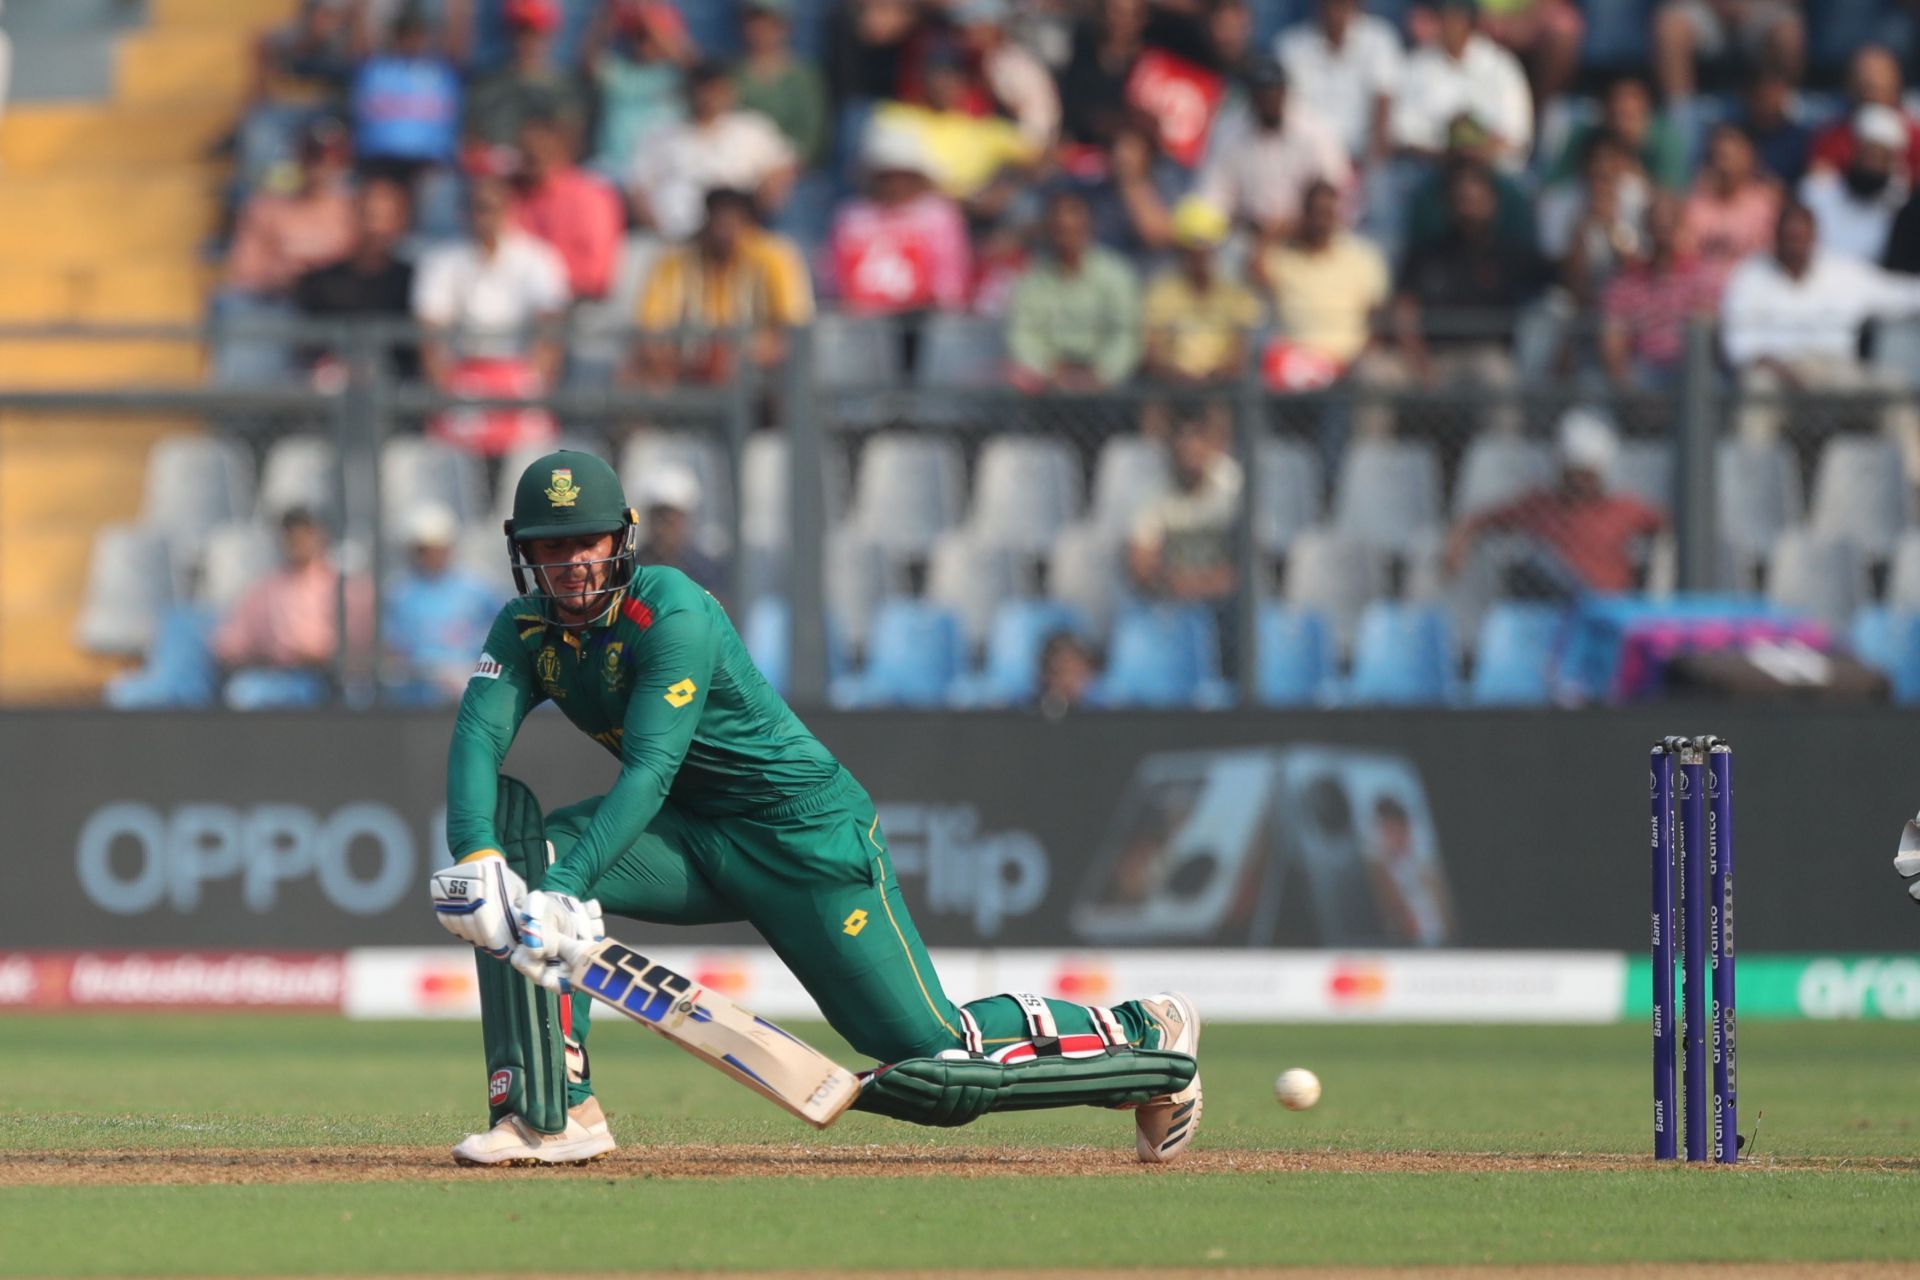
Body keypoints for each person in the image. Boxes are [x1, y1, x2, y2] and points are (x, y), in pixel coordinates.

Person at [426, 449, 1204, 1165]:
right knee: (529, 870)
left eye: (585, 542)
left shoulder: (672, 610)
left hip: (805, 840)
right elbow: (476, 736)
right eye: (550, 547)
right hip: (693, 842)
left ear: (621, 539)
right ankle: (552, 1114)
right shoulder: (524, 629)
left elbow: (652, 767)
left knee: (930, 1055)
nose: (569, 564)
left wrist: (568, 889)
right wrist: (479, 856)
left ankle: (1142, 1031)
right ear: (522, 551)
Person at [1721, 201, 1920, 472]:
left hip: (1836, 372)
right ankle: (1752, 487)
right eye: (1789, 236)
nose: (1795, 243)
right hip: (1779, 376)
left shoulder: (1842, 272)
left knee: (1893, 388)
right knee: (1755, 390)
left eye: (1801, 236)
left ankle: (1913, 484)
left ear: (1814, 236)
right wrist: (1789, 375)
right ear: (1775, 236)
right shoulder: (1749, 275)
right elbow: (1740, 348)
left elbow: (1900, 295)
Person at [1353, 163, 1547, 436]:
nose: (1468, 208)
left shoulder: (1511, 255)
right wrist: (1419, 360)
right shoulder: (1426, 252)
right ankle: (1370, 463)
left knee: (1500, 378)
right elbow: (1404, 309)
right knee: (1371, 372)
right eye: (1460, 200)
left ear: (1491, 203)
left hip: (1479, 359)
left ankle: (1500, 464)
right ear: (1448, 205)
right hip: (1424, 358)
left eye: (1475, 200)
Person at [413, 174, 568, 451]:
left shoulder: (539, 258)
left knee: (534, 443)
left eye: (491, 208)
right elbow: (431, 335)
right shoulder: (441, 260)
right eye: (477, 207)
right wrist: (445, 388)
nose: (483, 216)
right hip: (461, 376)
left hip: (521, 375)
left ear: (510, 209)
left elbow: (550, 330)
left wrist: (530, 385)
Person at [1443, 409, 1665, 596]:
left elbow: (1667, 526)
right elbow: (1478, 521)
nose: (1578, 483)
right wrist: (1458, 542)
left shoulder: (1623, 509)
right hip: (1553, 607)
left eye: (1585, 475)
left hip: (1605, 605)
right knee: (1533, 566)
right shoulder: (1540, 506)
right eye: (1572, 473)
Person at [632, 188, 814, 389]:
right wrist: (673, 359)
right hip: (687, 369)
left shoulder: (775, 258)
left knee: (785, 377)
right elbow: (650, 328)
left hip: (755, 372)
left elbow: (794, 329)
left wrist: (745, 356)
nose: (723, 228)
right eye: (717, 218)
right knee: (635, 374)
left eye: (732, 219)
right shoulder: (675, 263)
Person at [627, 61, 798, 243]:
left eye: (717, 89)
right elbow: (638, 189)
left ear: (730, 92)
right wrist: (657, 230)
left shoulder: (752, 129)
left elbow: (783, 168)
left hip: (736, 241)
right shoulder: (661, 133)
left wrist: (761, 203)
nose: (709, 97)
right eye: (703, 89)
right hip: (672, 239)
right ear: (690, 91)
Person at [211, 508, 367, 702]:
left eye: (305, 534)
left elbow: (357, 643)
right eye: (291, 535)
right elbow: (230, 643)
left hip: (326, 680)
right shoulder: (266, 590)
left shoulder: (343, 589)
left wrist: (313, 652)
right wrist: (261, 653)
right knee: (244, 692)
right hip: (274, 674)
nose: (297, 541)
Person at [1196, 56, 1350, 244]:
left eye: (1274, 91)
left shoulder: (1316, 131)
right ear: (1251, 96)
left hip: (1305, 237)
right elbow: (1213, 198)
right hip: (1246, 237)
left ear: (1285, 91)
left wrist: (1291, 226)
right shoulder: (1228, 132)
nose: (1269, 99)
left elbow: (1335, 195)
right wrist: (1243, 224)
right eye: (1262, 93)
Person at [826, 125, 971, 316]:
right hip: (861, 324)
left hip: (924, 321)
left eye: (903, 176)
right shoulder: (851, 216)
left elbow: (950, 281)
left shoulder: (938, 215)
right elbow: (832, 277)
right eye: (887, 176)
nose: (896, 184)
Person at [1007, 192, 1141, 391]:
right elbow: (1022, 334)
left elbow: (1127, 334)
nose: (1066, 234)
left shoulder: (1116, 275)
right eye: (1060, 229)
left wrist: (1101, 373)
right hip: (1048, 384)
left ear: (1089, 226)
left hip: (1106, 386)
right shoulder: (1032, 278)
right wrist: (1048, 371)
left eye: (1073, 229)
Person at [1260, 179, 1390, 377]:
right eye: (1314, 213)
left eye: (1326, 213)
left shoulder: (1362, 256)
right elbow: (1253, 269)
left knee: (1375, 372)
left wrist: (1361, 355)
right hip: (1295, 363)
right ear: (1304, 215)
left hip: (1350, 363)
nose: (1320, 221)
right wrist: (1277, 231)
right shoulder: (1285, 257)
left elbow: (1378, 315)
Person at [293, 176, 418, 377]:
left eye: (384, 218)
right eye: (369, 215)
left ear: (400, 222)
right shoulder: (319, 282)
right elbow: (308, 347)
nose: (375, 228)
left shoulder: (413, 282)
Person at [1390, 0, 1533, 172]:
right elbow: (1402, 136)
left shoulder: (1501, 66)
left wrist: (1475, 150)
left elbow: (1516, 137)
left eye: (1455, 17)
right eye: (1443, 16)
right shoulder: (1416, 66)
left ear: (1469, 22)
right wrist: (1449, 154)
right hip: (1431, 171)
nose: (1448, 24)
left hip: (1492, 175)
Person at [224, 118, 356, 299]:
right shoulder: (266, 209)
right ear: (300, 157)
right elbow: (245, 271)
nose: (323, 164)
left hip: (343, 304)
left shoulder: (358, 210)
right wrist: (284, 275)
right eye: (313, 155)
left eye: (334, 155)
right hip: (279, 302)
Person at [383, 503, 502, 702]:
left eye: (437, 548)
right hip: (416, 691)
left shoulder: (476, 588)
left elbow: (506, 623)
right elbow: (392, 645)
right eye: (424, 549)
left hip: (469, 687)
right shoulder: (400, 592)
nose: (431, 556)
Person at [1127, 409, 1243, 609]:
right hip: (1170, 599)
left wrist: (1205, 584)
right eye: (1182, 441)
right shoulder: (1152, 488)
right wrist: (1178, 583)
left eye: (1198, 440)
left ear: (1214, 446)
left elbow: (1244, 561)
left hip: (1227, 600)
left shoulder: (1232, 483)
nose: (1190, 450)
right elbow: (1141, 564)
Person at [1601, 194, 1718, 391]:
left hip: (1688, 375)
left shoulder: (1702, 278)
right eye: (1656, 224)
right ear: (1646, 228)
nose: (1663, 231)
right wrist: (1628, 391)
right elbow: (1613, 344)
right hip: (1643, 373)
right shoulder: (1626, 282)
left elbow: (1710, 340)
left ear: (1682, 225)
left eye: (1669, 223)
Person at [1140, 197, 1260, 386]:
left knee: (1217, 411)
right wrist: (1176, 377)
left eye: (1205, 249)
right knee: (1155, 411)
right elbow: (1151, 350)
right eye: (1192, 250)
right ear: (1181, 251)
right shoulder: (1161, 291)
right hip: (1170, 384)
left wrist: (1213, 378)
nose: (1199, 257)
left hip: (1220, 386)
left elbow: (1240, 351)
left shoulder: (1235, 294)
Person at [510, 112, 625, 302]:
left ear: (562, 149)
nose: (532, 159)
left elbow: (596, 274)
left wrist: (544, 282)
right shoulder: (514, 196)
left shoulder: (591, 197)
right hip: (519, 302)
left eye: (540, 150)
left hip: (576, 306)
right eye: (526, 153)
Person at [1275, 0, 1403, 165]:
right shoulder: (1290, 46)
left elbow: (1383, 102)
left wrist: (1372, 162)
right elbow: (1292, 112)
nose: (1334, 10)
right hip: (1311, 160)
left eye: (1341, 4)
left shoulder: (1380, 38)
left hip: (1365, 157)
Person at [583, 0, 690, 175]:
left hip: (661, 173)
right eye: (639, 36)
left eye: (652, 37)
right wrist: (612, 10)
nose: (646, 44)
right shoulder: (617, 70)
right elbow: (588, 59)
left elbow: (695, 64)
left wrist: (650, 17)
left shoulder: (676, 75)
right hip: (614, 168)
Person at [463, 0, 587, 148]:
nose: (527, 40)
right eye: (520, 31)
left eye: (535, 32)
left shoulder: (565, 88)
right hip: (493, 168)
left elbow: (570, 147)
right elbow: (470, 142)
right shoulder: (486, 85)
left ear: (550, 34)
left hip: (545, 169)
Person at [1680, 123, 1783, 295]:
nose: (1724, 166)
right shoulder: (1695, 206)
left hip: (1756, 296)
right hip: (1702, 300)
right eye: (1719, 156)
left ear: (1750, 157)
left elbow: (1775, 259)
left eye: (1731, 157)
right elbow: (1684, 259)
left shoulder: (1767, 203)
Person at [1799, 106, 1909, 261]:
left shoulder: (1899, 205)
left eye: (1880, 158)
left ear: (1891, 164)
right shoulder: (1819, 188)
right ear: (1853, 153)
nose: (1871, 164)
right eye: (1867, 154)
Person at [733, 0, 830, 170]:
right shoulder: (731, 75)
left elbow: (811, 135)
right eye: (754, 23)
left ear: (786, 27)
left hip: (790, 171)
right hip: (742, 166)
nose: (761, 30)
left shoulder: (804, 77)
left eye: (770, 24)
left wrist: (786, 170)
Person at [1651, 0, 1803, 103]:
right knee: (1671, 30)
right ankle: (1681, 117)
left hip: (1761, 8)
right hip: (1703, 8)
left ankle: (1783, 113)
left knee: (1788, 34)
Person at [633, 464, 726, 600]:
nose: (662, 528)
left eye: (670, 520)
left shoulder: (705, 571)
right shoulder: (634, 568)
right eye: (657, 517)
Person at [1036, 629, 1102, 719]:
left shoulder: (1106, 709)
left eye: (1075, 672)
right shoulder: (1031, 711)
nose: (1068, 680)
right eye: (1060, 672)